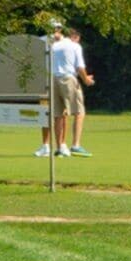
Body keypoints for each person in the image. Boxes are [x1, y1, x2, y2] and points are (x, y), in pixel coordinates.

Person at [42, 18, 90, 158]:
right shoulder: (74, 46)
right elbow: (80, 67)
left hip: (52, 80)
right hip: (68, 78)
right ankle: (75, 145)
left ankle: (59, 148)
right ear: (74, 36)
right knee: (79, 112)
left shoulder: (50, 44)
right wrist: (86, 79)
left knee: (58, 115)